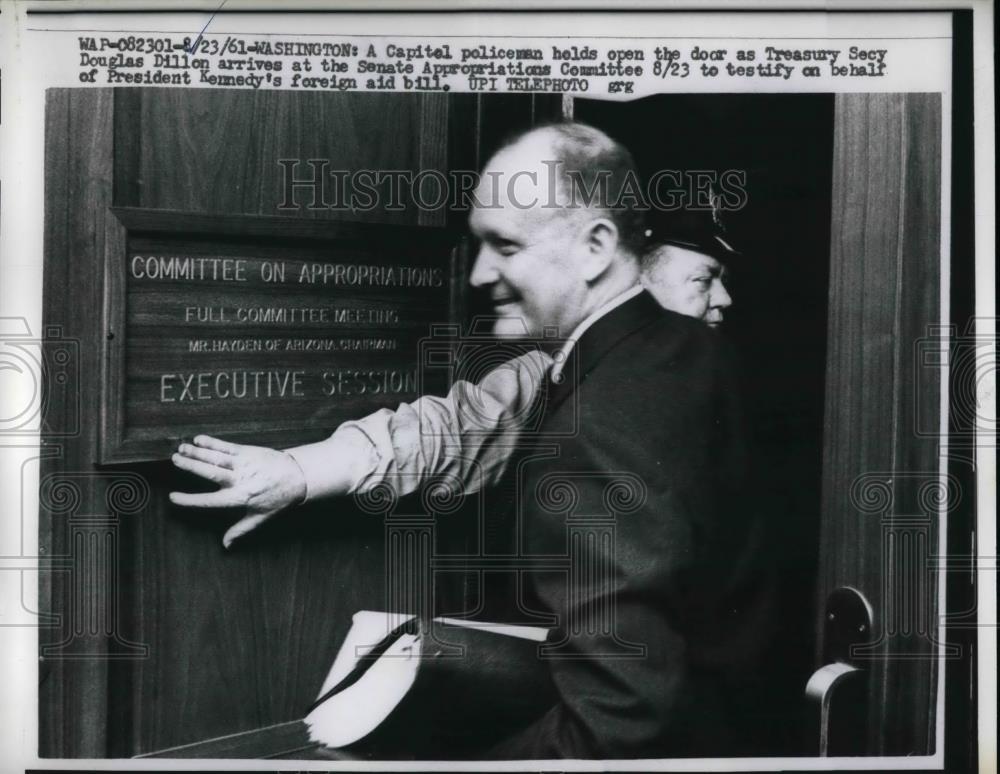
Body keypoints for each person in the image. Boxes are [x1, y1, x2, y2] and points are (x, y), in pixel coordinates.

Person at [172, 122, 768, 758]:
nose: (479, 273)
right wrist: (303, 469)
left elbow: (619, 719)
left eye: (506, 247)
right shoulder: (693, 356)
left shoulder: (602, 415)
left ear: (597, 247)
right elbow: (467, 423)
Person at [170, 225, 740, 548]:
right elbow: (453, 428)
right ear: (634, 279)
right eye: (704, 280)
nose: (724, 302)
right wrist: (301, 471)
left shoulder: (730, 381)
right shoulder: (556, 377)